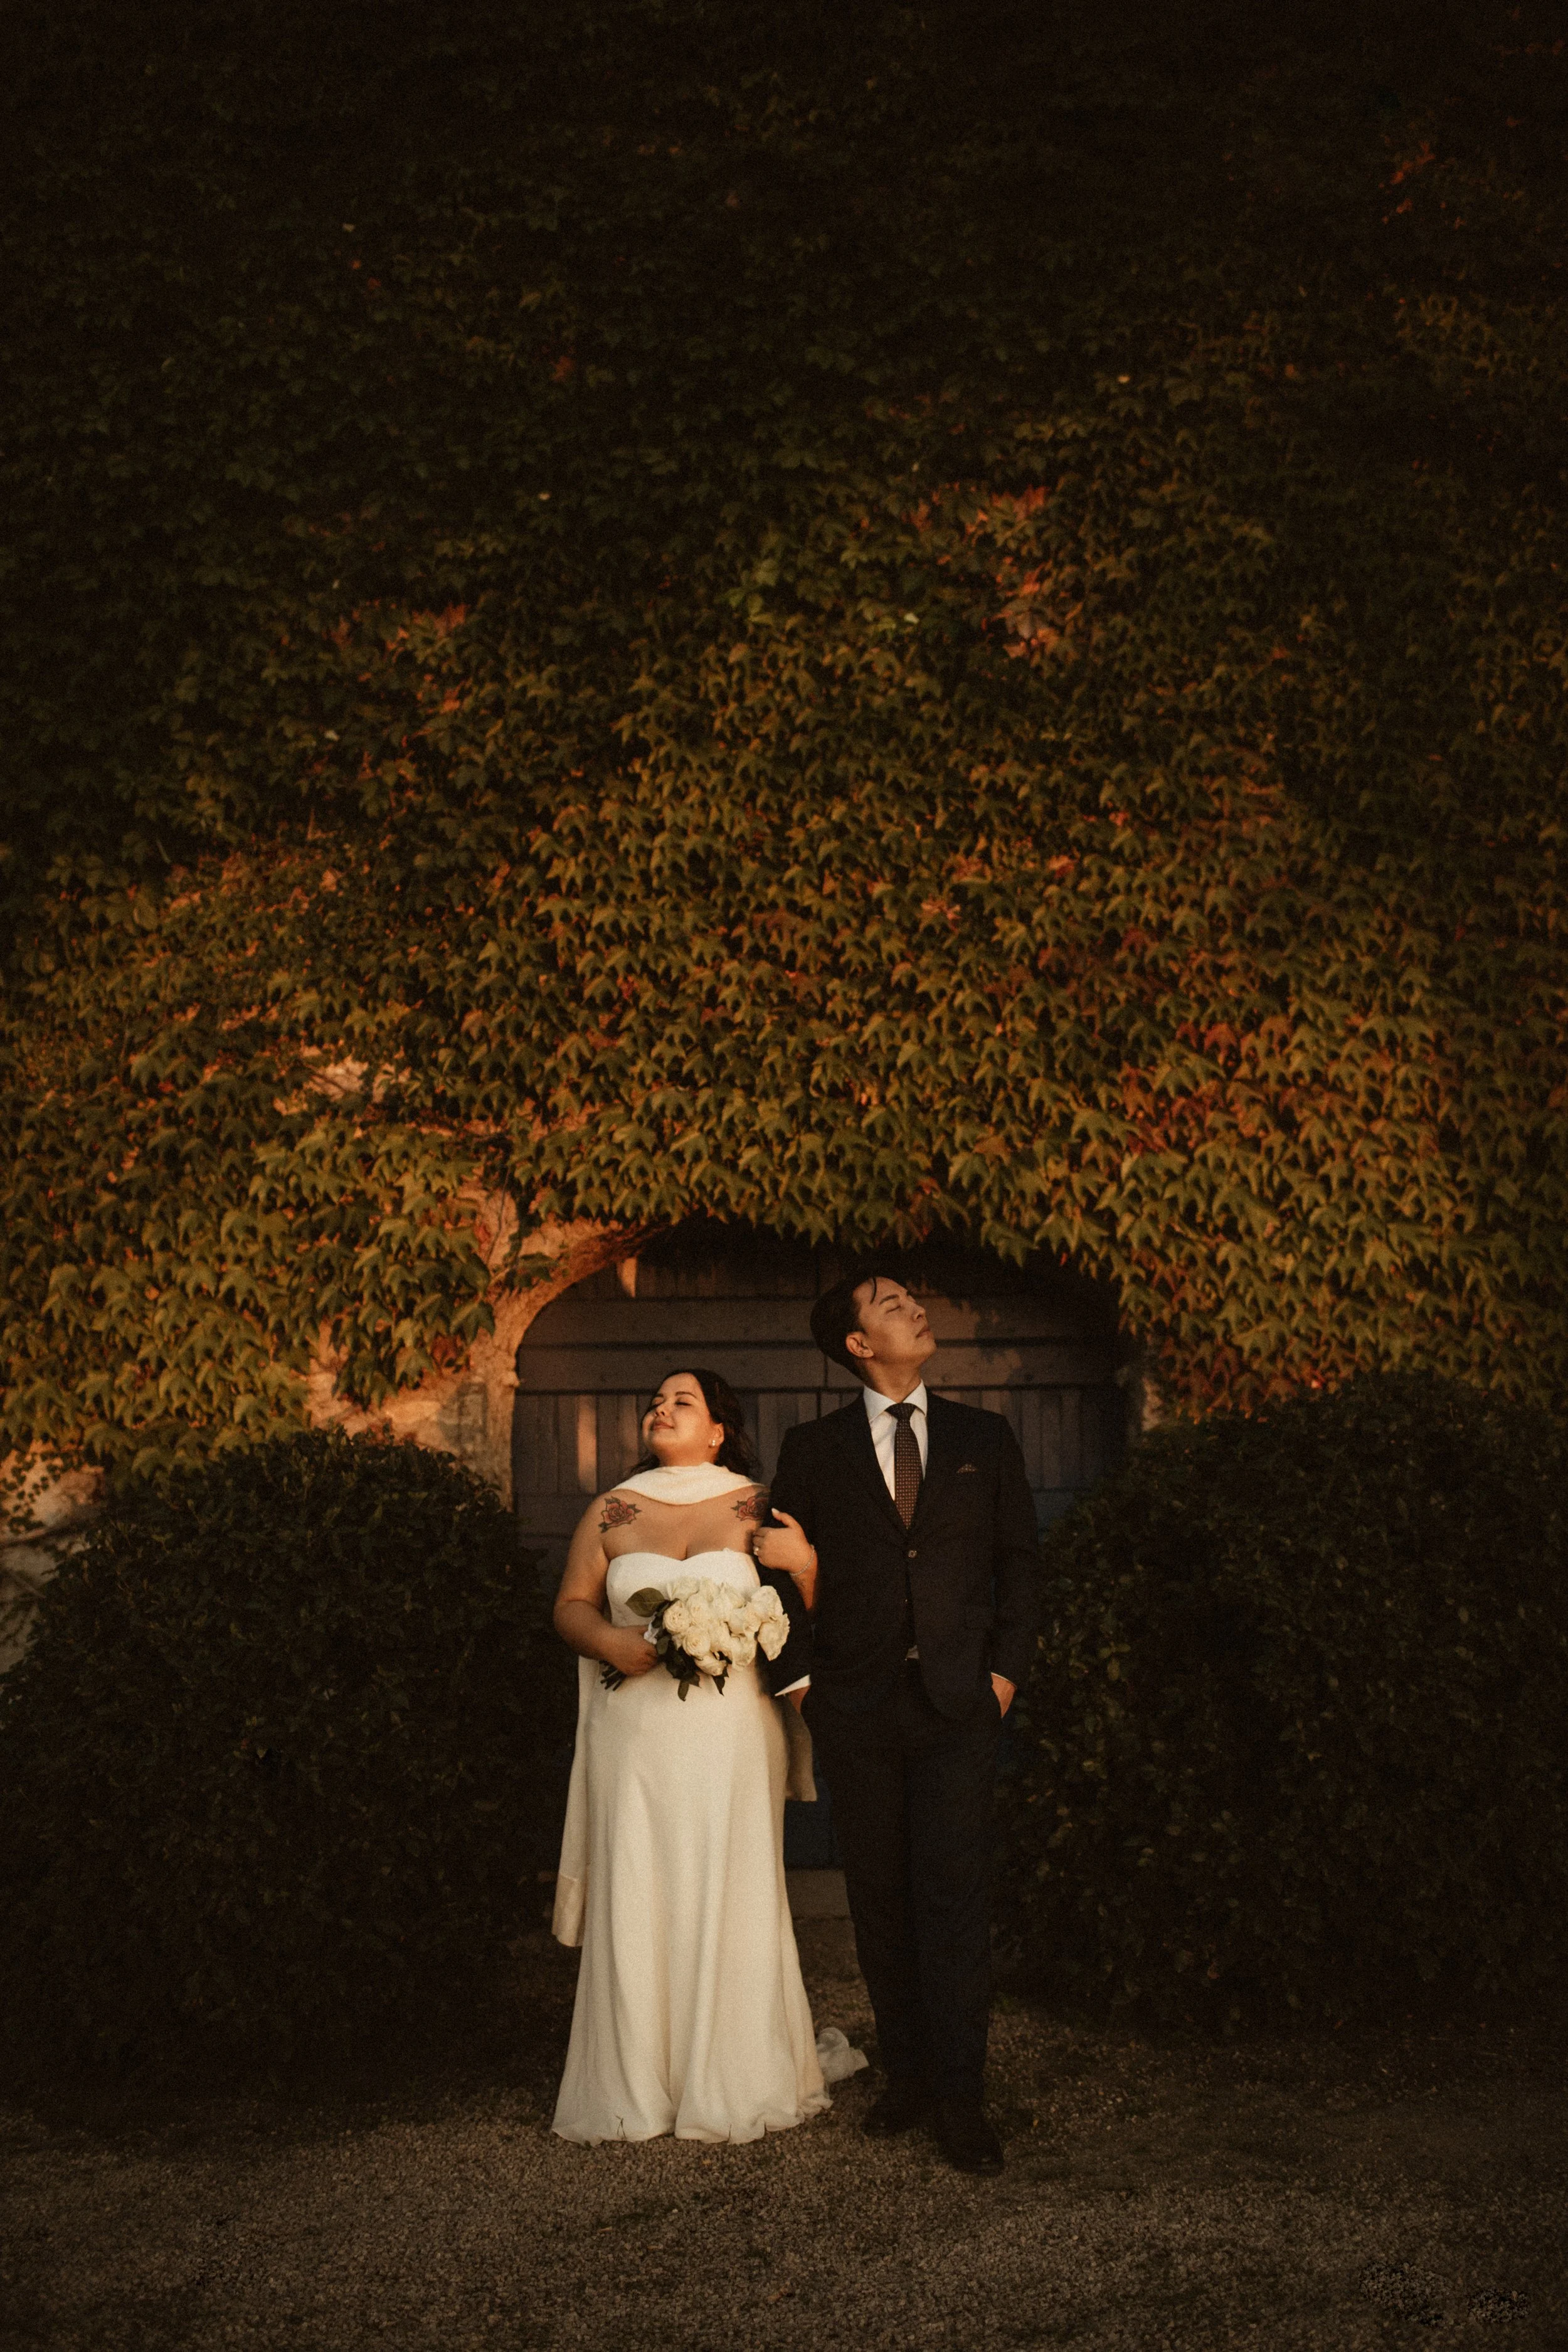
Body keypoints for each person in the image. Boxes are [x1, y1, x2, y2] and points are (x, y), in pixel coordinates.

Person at [755, 1269, 1040, 2175]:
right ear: (856, 1342)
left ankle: (962, 2098)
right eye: (890, 1302)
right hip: (857, 1709)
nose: (916, 1305)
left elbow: (1021, 1567)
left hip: (959, 1707)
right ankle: (908, 2078)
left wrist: (1003, 1678)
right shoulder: (812, 1446)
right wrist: (800, 1685)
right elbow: (773, 1575)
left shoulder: (983, 1437)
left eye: (916, 1295)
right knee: (879, 1900)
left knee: (952, 1900)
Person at [549, 1366, 842, 2144]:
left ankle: (733, 2075)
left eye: (682, 1401)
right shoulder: (613, 1508)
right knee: (637, 1882)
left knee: (732, 1882)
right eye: (654, 1401)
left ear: (718, 1429)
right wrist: (611, 1638)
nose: (661, 1409)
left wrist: (807, 1568)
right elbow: (571, 1605)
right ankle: (634, 2085)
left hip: (732, 1734)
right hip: (633, 1736)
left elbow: (812, 1608)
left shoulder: (756, 1504)